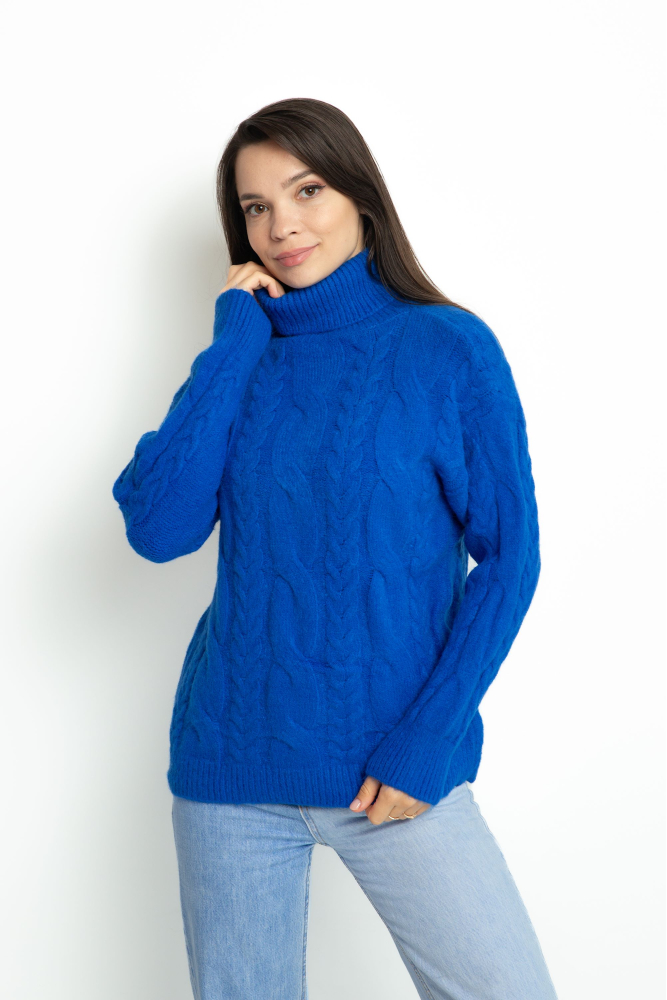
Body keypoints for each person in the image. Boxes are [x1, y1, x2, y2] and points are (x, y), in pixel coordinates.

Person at [112, 97, 559, 1000]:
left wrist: (427, 741)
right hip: (231, 769)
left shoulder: (446, 348)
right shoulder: (244, 355)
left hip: (392, 770)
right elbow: (158, 531)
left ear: (359, 195)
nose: (281, 225)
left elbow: (510, 559)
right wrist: (233, 344)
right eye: (255, 207)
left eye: (305, 190)